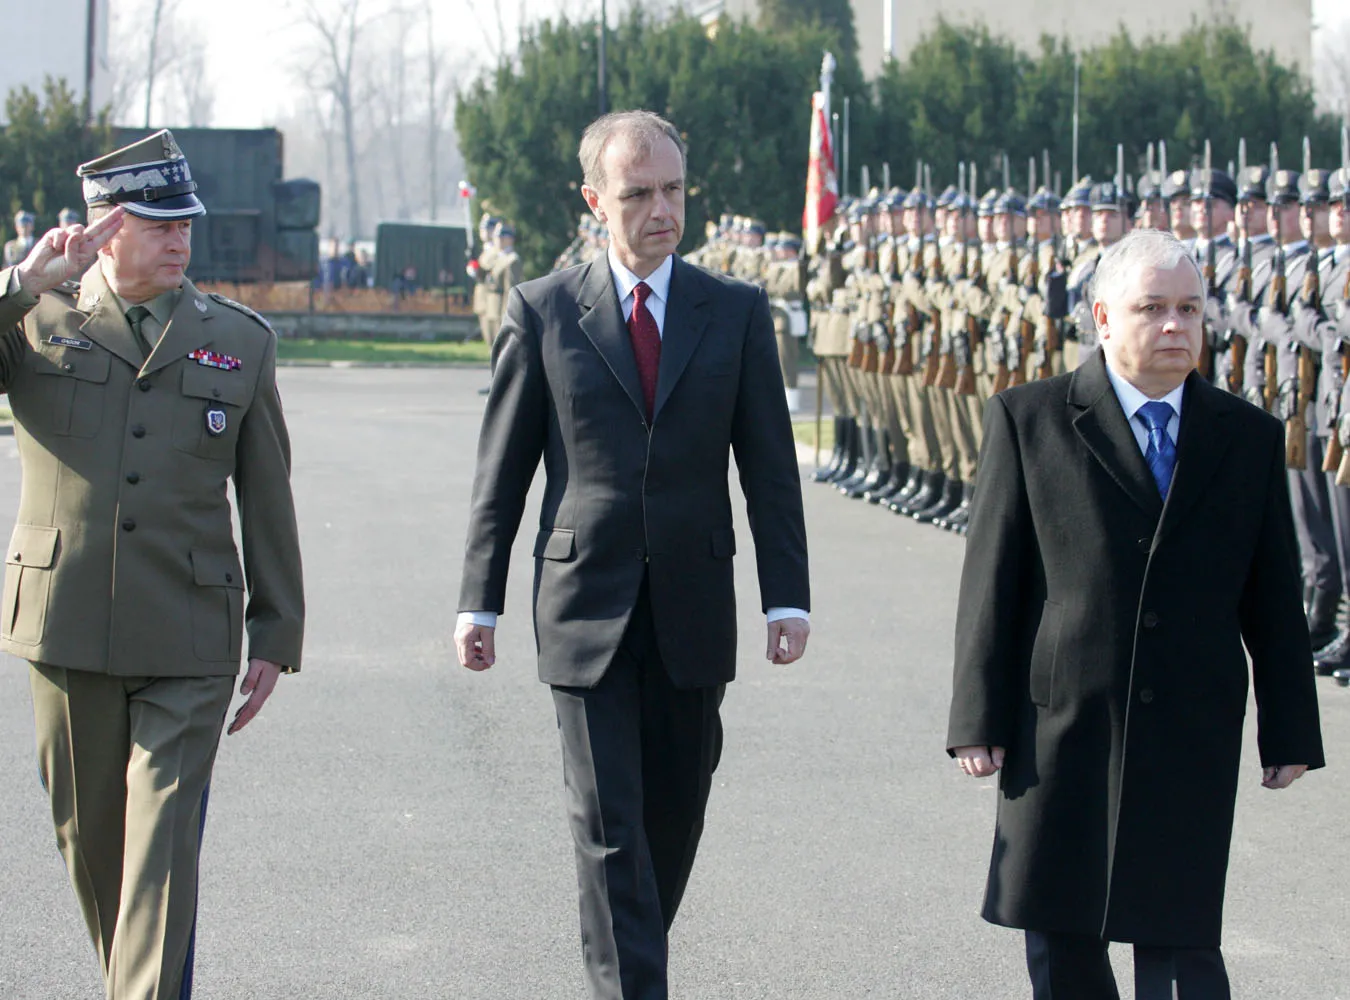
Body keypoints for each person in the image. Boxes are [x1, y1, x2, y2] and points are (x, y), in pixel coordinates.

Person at [454, 109, 810, 1000]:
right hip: (585, 608)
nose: (661, 210)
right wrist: (479, 600)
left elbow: (769, 468)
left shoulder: (732, 311)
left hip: (693, 609)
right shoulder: (543, 310)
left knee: (670, 825)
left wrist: (787, 597)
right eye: (639, 192)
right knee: (610, 832)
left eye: (674, 190)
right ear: (594, 200)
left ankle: (628, 963)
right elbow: (503, 471)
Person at [947, 228, 1323, 1000]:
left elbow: (1275, 595)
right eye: (1152, 308)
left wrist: (1289, 728)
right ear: (1103, 317)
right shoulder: (1033, 419)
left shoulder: (1245, 436)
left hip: (1189, 718)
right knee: (1061, 927)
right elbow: (993, 581)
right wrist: (977, 717)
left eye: (1189, 308)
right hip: (1063, 719)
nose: (1176, 326)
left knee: (1180, 937)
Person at [0, 129, 304, 998]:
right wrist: (23, 284)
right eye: (159, 225)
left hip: (187, 637)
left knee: (162, 851)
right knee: (95, 848)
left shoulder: (237, 341)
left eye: (187, 226)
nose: (182, 241)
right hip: (64, 627)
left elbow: (269, 496)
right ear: (102, 228)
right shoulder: (35, 321)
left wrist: (276, 631)